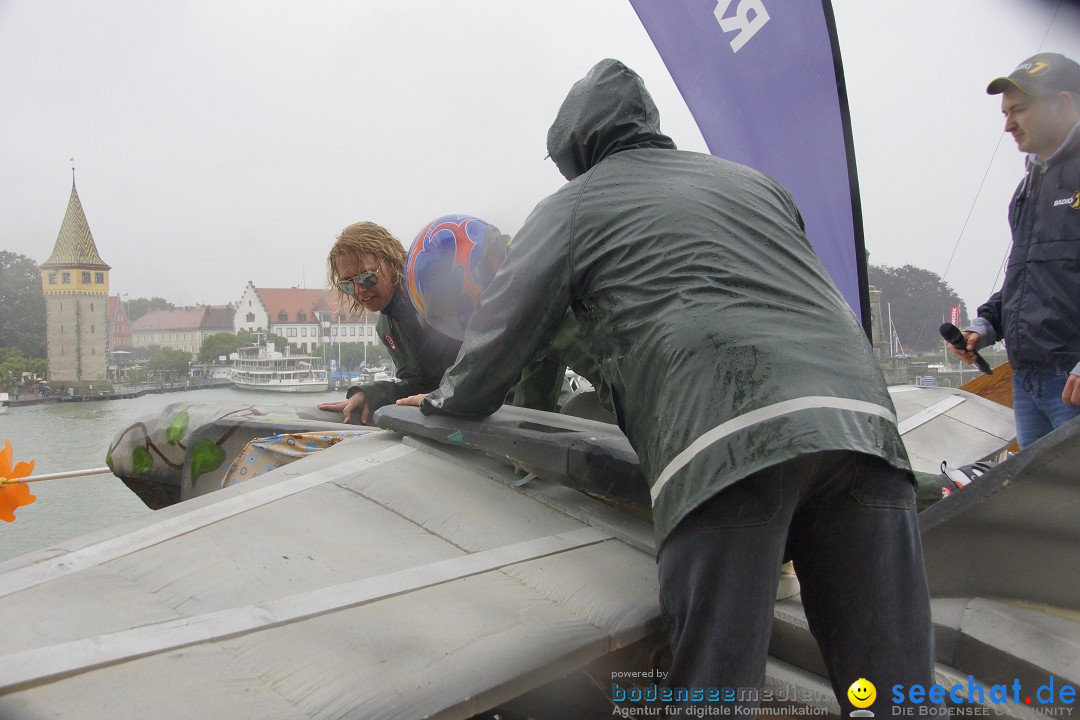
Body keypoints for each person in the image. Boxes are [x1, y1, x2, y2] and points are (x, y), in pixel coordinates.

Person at [403, 59, 935, 715]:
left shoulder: (573, 206)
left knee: (717, 689)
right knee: (894, 687)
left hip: (726, 443)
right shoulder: (755, 183)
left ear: (573, 146)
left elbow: (497, 341)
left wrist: (432, 407)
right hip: (864, 430)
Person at [948, 52, 1080, 448]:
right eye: (1004, 113)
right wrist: (984, 328)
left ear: (1063, 103)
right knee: (1045, 507)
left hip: (1071, 382)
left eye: (1018, 111)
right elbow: (1026, 277)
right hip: (1027, 382)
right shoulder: (1027, 188)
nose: (1007, 125)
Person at [405, 213, 613, 416]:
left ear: (467, 272)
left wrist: (442, 398)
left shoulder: (530, 281)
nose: (462, 318)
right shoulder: (528, 274)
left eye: (454, 308)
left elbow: (622, 378)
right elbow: (536, 389)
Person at [318, 221, 461, 424]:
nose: (359, 291)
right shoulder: (386, 325)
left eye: (368, 278)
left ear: (393, 263)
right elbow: (419, 384)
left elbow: (477, 365)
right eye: (347, 284)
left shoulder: (432, 299)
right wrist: (371, 394)